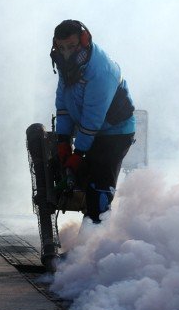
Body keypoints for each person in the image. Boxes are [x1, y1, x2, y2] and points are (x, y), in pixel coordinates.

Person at [49, 19, 135, 224]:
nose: (67, 52)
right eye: (61, 48)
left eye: (71, 46)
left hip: (115, 133)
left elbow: (92, 119)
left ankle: (94, 247)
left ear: (84, 41)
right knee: (82, 181)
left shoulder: (101, 71)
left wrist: (77, 154)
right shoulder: (67, 65)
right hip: (91, 131)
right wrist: (62, 141)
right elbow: (63, 105)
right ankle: (89, 243)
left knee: (99, 188)